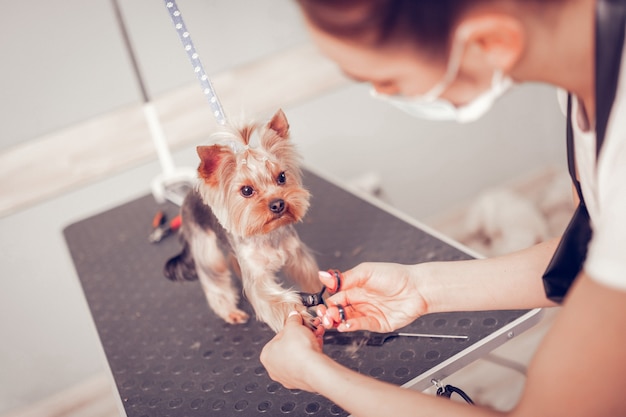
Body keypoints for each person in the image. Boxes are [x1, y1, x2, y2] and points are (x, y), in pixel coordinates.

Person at [260, 0, 626, 416]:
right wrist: (422, 289)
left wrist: (316, 374)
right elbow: (589, 253)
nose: (381, 94)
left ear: (491, 41)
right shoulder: (589, 76)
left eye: (386, 80)